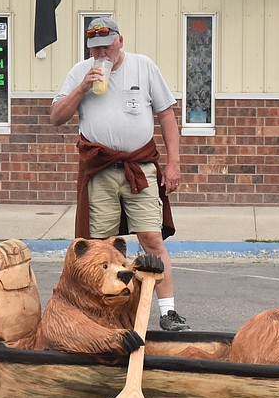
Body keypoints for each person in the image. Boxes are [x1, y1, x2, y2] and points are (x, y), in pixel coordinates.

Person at [51, 16, 189, 331]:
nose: (101, 53)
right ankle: (98, 315)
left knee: (151, 238)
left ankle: (168, 312)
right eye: (95, 48)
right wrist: (83, 86)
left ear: (120, 41)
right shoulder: (80, 71)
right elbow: (56, 116)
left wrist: (173, 163)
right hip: (100, 169)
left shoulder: (143, 66)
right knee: (99, 245)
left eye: (106, 46)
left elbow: (166, 115)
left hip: (139, 167)